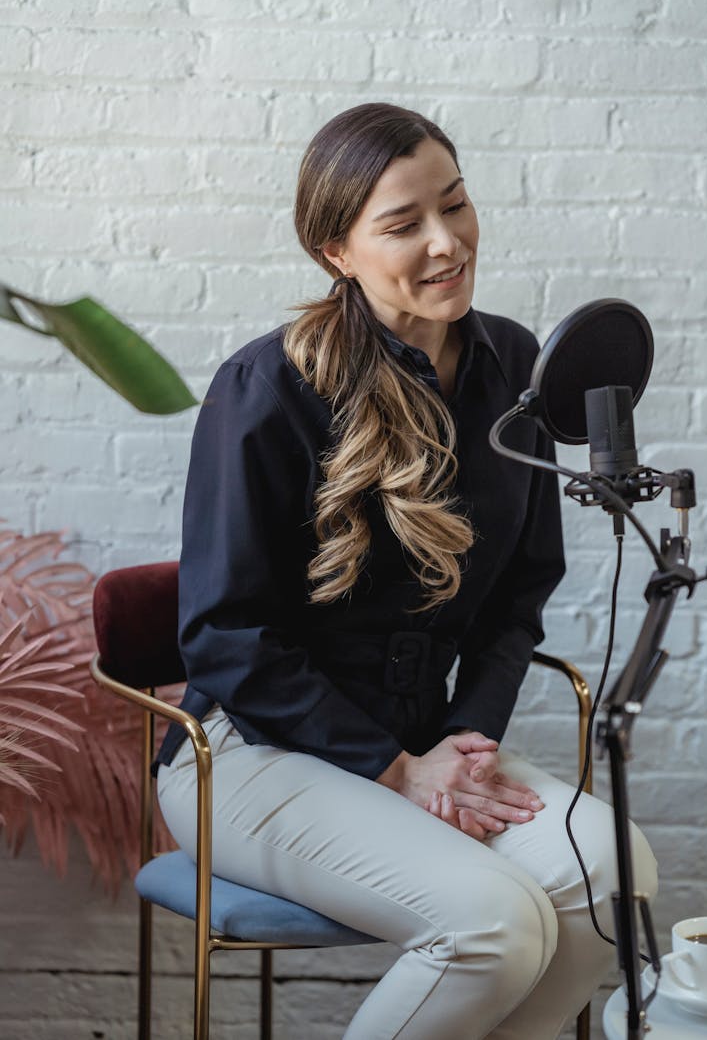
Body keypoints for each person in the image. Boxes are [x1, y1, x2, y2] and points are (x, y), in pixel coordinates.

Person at [156, 102, 657, 1039]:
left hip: (427, 744)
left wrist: (463, 741)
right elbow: (226, 638)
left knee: (609, 877)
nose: (446, 242)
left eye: (455, 204)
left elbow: (521, 592)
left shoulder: (516, 365)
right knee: (495, 927)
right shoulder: (266, 388)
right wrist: (394, 769)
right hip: (253, 758)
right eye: (402, 224)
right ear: (335, 250)